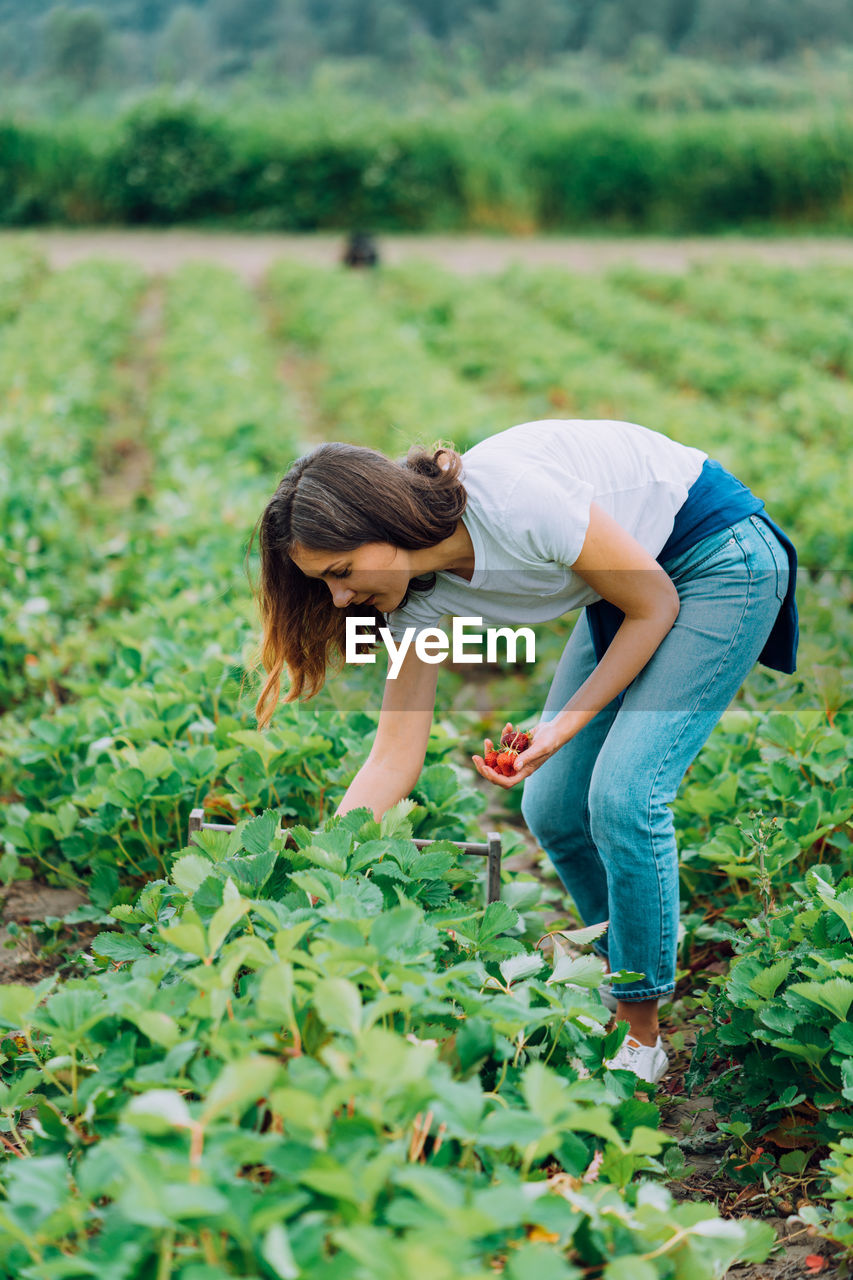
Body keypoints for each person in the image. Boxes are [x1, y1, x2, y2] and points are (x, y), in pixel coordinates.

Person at [252, 419, 798, 1085]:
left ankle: (639, 1029)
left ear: (382, 520)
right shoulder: (411, 601)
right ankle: (635, 951)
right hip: (624, 590)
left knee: (624, 795)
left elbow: (653, 602)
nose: (338, 598)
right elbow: (394, 755)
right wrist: (321, 871)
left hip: (716, 559)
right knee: (556, 807)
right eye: (324, 584)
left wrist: (561, 726)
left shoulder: (509, 500)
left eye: (340, 572)